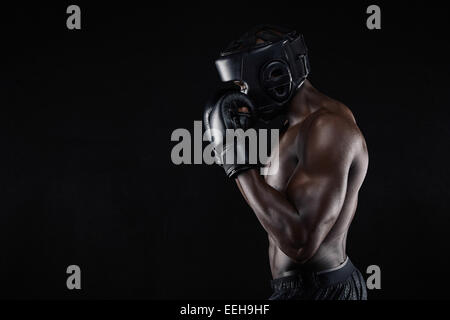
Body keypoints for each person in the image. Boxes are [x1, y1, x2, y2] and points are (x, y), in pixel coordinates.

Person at [204, 25, 368, 300]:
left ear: (274, 75)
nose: (242, 96)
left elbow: (300, 243)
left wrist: (230, 153)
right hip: (304, 289)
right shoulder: (295, 126)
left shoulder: (328, 129)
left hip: (321, 292)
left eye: (243, 85)